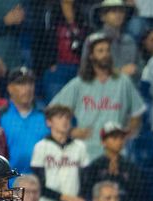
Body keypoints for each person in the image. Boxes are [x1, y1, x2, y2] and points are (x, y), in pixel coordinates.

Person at [50, 32, 146, 160]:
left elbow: (137, 111)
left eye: (107, 50)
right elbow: (53, 111)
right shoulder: (79, 84)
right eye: (100, 51)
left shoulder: (123, 81)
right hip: (85, 153)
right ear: (91, 55)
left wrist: (128, 133)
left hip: (116, 154)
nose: (105, 54)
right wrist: (71, 131)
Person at [30, 104, 89, 201]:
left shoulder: (80, 147)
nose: (65, 121)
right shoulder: (41, 147)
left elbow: (87, 179)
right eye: (60, 117)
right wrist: (66, 199)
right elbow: (39, 184)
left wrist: (81, 200)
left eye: (67, 118)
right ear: (49, 122)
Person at [81, 122, 145, 201]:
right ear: (103, 142)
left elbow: (138, 194)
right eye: (114, 138)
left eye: (121, 138)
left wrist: (119, 176)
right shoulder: (96, 166)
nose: (119, 141)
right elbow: (88, 192)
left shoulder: (130, 166)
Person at [29, 0, 89, 101]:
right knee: (57, 107)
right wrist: (48, 64)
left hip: (80, 69)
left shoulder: (83, 14)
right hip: (57, 69)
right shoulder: (49, 13)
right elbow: (38, 42)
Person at [1, 67, 49, 175]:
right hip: (10, 182)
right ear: (10, 88)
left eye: (30, 84)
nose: (27, 88)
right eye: (21, 84)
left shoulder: (45, 116)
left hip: (40, 182)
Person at [93, 0, 139, 79]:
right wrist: (119, 72)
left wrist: (136, 69)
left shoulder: (130, 41)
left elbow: (139, 66)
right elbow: (87, 71)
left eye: (121, 12)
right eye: (113, 11)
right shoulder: (94, 40)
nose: (118, 15)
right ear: (103, 17)